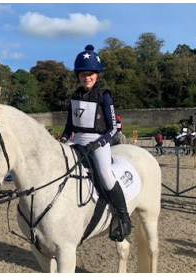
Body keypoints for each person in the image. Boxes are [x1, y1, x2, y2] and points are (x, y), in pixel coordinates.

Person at [60, 45, 132, 242]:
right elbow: (68, 128)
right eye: (83, 74)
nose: (87, 77)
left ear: (97, 75)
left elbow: (114, 128)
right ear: (78, 76)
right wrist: (63, 140)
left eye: (90, 74)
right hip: (77, 141)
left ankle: (123, 218)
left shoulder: (104, 95)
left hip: (98, 142)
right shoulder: (74, 96)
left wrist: (99, 143)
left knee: (105, 175)